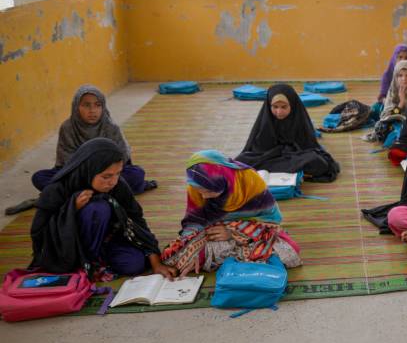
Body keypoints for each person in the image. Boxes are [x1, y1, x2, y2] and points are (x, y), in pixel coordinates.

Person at [29, 138, 173, 280]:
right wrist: (71, 210)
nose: (113, 181)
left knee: (134, 264)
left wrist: (156, 263)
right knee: (97, 209)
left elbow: (136, 220)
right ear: (89, 170)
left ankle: (98, 262)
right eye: (106, 176)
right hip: (70, 249)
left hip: (108, 242)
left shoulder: (118, 186)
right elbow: (39, 233)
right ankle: (86, 263)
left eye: (118, 173)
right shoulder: (58, 189)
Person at [160, 151, 301, 276]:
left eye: (209, 191)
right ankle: (241, 258)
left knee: (289, 250)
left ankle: (225, 258)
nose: (204, 197)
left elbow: (271, 222)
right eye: (200, 191)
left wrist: (233, 232)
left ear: (225, 179)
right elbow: (194, 222)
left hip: (252, 233)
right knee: (176, 257)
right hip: (214, 235)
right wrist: (194, 249)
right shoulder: (196, 184)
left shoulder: (250, 181)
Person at [31, 85, 154, 195]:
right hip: (77, 174)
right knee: (39, 177)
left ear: (103, 107)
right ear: (76, 107)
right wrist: (88, 174)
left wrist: (102, 173)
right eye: (86, 105)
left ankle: (75, 193)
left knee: (136, 174)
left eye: (97, 105)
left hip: (106, 174)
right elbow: (66, 159)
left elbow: (122, 156)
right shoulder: (68, 127)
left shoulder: (110, 127)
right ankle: (103, 192)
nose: (92, 110)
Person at [235, 84, 340, 182]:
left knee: (318, 162)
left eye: (284, 107)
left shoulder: (299, 118)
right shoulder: (266, 120)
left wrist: (288, 150)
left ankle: (293, 170)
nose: (279, 112)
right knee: (242, 160)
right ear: (269, 105)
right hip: (271, 157)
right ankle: (300, 172)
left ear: (292, 105)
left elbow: (307, 147)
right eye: (275, 107)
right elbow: (259, 149)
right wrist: (277, 151)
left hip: (294, 156)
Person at [367, 59, 407, 143]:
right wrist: (401, 103)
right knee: (383, 126)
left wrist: (406, 103)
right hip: (396, 124)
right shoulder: (393, 91)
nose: (404, 79)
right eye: (400, 75)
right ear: (395, 77)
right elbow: (386, 115)